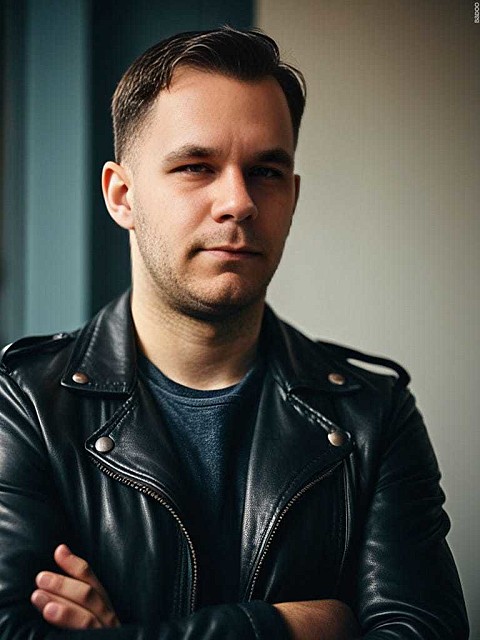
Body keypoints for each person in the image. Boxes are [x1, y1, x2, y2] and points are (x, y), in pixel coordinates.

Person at [0, 27, 468, 639]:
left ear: (292, 198)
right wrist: (285, 628)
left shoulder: (373, 415)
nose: (239, 202)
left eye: (266, 171)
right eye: (196, 167)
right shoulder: (25, 403)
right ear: (122, 196)